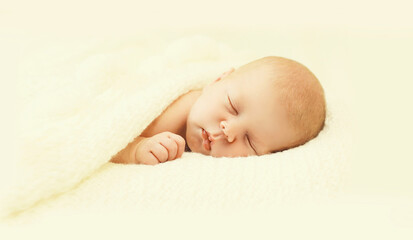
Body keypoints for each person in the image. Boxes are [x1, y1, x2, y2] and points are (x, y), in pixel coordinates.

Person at [110, 56, 326, 165]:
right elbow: (114, 136)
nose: (229, 131)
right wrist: (137, 149)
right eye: (232, 105)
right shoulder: (177, 110)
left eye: (250, 141)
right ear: (218, 80)